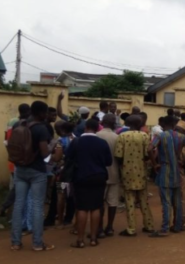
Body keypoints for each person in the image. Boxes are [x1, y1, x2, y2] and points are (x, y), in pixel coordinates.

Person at [10, 101, 56, 251]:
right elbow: (44, 153)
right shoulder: (41, 129)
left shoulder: (19, 125)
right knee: (37, 206)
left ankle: (16, 242)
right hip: (36, 170)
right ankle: (37, 243)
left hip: (20, 168)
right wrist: (52, 145)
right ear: (42, 113)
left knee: (19, 204)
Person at [67, 119, 112, 248]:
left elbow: (69, 157)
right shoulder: (102, 143)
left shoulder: (76, 141)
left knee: (81, 208)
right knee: (96, 207)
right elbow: (108, 162)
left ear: (86, 127)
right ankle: (93, 238)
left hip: (81, 177)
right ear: (98, 128)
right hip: (99, 177)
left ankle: (80, 240)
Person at [148, 116, 185, 237]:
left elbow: (149, 149)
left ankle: (165, 228)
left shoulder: (160, 136)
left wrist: (155, 164)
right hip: (177, 172)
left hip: (164, 170)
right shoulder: (181, 137)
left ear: (163, 124)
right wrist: (183, 161)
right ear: (174, 124)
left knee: (166, 201)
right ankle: (178, 225)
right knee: (177, 201)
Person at [115, 115, 155, 237]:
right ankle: (149, 225)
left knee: (129, 201)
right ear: (140, 125)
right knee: (143, 200)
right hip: (141, 172)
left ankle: (131, 228)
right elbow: (148, 154)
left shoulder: (122, 136)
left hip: (127, 172)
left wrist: (123, 165)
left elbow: (118, 155)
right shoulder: (144, 136)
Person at [1, 103, 31, 217]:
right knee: (18, 188)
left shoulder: (12, 122)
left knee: (15, 186)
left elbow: (6, 140)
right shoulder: (23, 124)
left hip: (13, 159)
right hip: (20, 161)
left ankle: (8, 210)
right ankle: (8, 209)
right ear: (28, 112)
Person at [96, 114, 120, 237]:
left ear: (102, 122)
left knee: (99, 202)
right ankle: (109, 227)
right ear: (114, 123)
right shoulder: (117, 137)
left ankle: (99, 228)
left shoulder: (97, 136)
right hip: (114, 173)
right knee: (113, 202)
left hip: (100, 174)